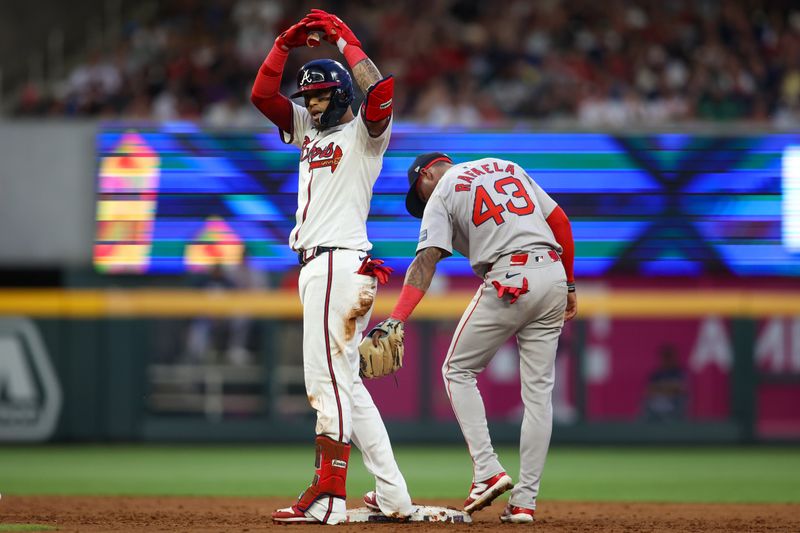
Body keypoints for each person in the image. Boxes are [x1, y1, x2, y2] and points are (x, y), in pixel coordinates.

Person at [249, 9, 412, 525]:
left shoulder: (365, 134)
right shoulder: (308, 129)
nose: (310, 103)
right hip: (328, 267)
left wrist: (344, 39)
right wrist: (282, 45)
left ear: (340, 95)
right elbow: (261, 97)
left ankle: (329, 496)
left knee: (326, 387)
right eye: (308, 97)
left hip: (336, 263)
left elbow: (381, 91)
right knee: (348, 387)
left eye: (318, 95)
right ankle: (392, 495)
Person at [370, 152, 577, 523]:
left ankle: (487, 471)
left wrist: (397, 317)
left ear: (428, 173)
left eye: (419, 192)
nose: (422, 201)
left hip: (511, 277)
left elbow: (425, 261)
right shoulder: (507, 166)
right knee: (538, 396)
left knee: (456, 370)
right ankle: (524, 503)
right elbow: (559, 221)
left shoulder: (442, 190)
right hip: (553, 276)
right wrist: (571, 284)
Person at [642, 344, 688, 422]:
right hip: (657, 402)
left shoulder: (679, 372)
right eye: (665, 357)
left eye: (669, 357)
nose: (667, 360)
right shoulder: (656, 374)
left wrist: (661, 388)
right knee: (648, 403)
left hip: (674, 402)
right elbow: (649, 390)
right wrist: (670, 387)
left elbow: (681, 389)